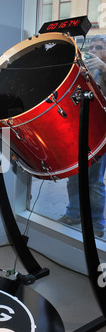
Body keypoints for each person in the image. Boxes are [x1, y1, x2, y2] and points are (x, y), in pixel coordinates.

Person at [59, 35, 106, 239]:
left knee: (95, 181)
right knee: (74, 177)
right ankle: (74, 213)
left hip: (99, 133)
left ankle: (96, 222)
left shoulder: (103, 70)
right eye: (91, 47)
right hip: (77, 131)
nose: (94, 50)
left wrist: (103, 67)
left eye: (99, 47)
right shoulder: (83, 70)